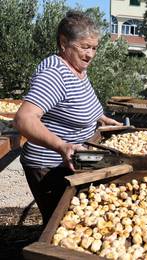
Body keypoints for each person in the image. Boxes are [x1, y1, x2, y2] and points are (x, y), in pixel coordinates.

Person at [14, 11, 122, 223]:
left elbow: (74, 103)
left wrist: (100, 117)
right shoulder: (55, 73)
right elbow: (24, 119)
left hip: (74, 161)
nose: (90, 55)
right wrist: (61, 145)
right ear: (63, 43)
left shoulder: (78, 68)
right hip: (50, 167)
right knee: (62, 225)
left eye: (94, 48)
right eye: (84, 47)